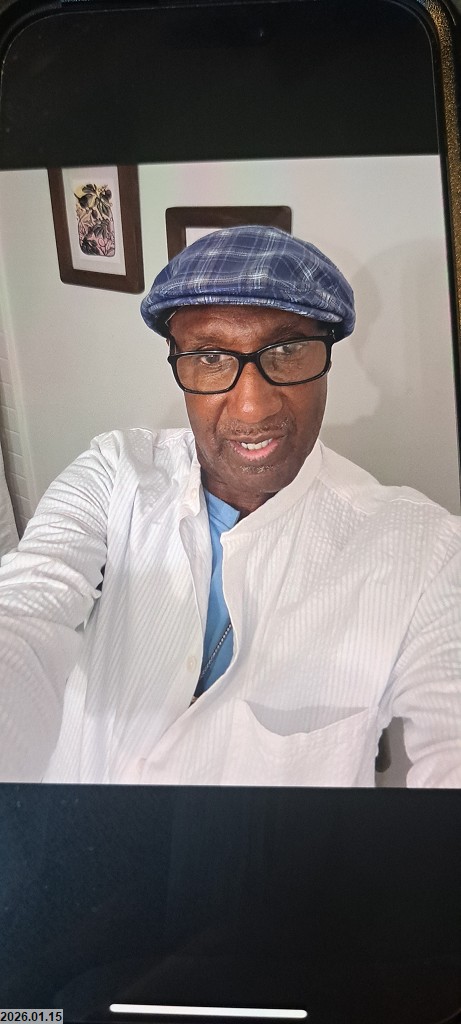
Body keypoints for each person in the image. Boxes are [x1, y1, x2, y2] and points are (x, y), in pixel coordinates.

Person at [0, 225, 460, 786]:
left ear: (328, 353)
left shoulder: (427, 554)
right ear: (177, 362)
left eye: (287, 350)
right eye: (212, 357)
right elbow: (26, 606)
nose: (252, 407)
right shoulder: (114, 473)